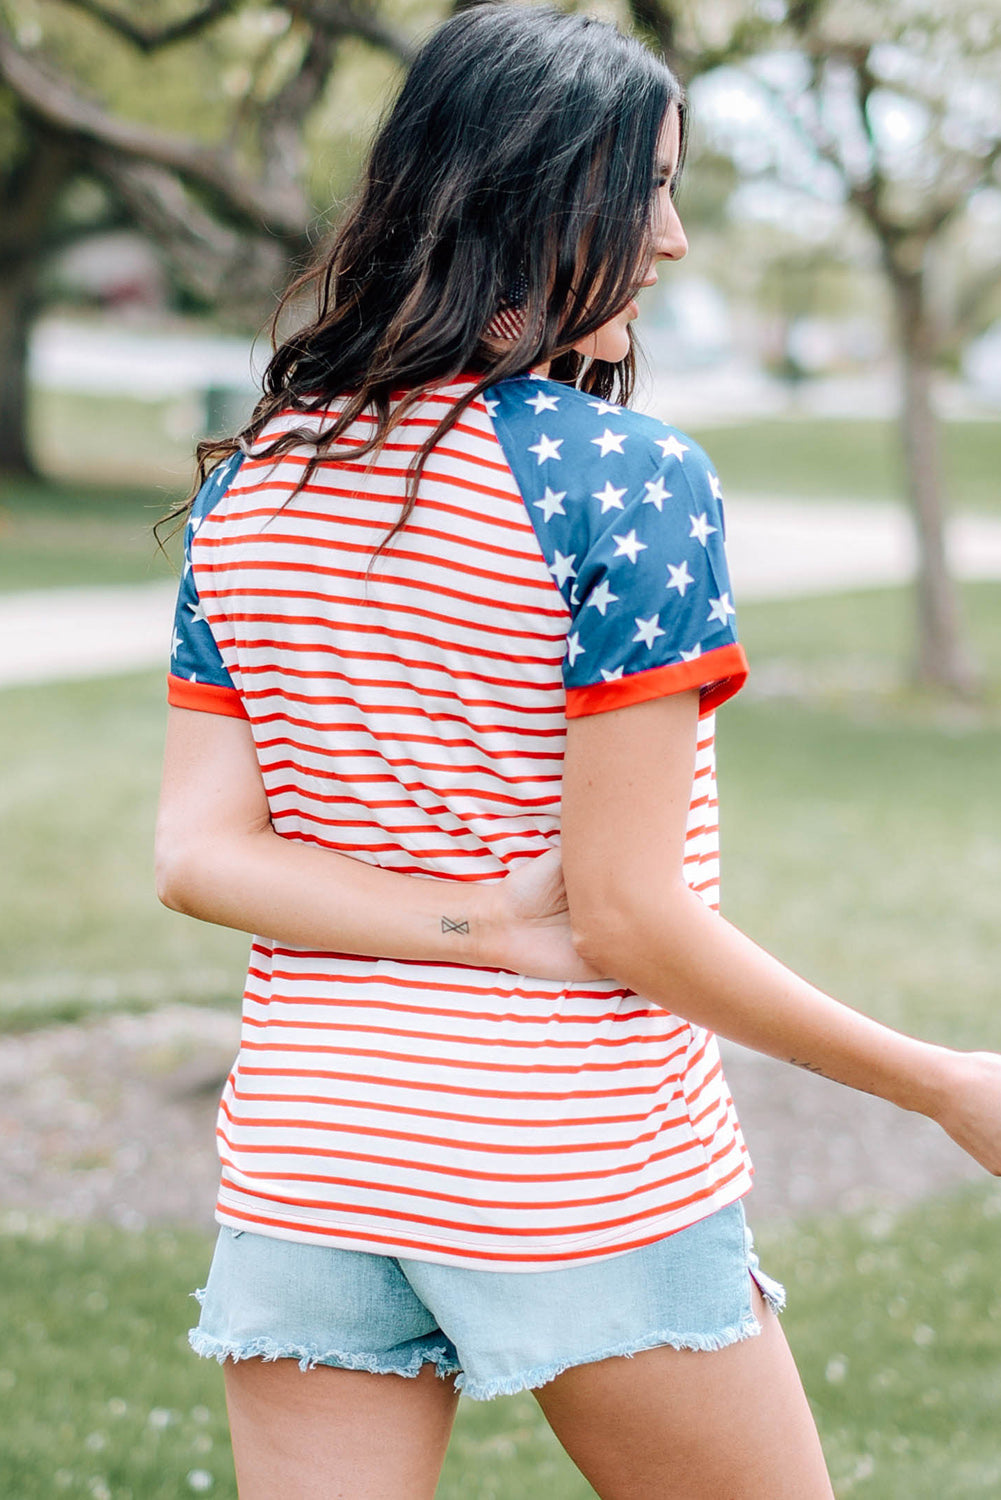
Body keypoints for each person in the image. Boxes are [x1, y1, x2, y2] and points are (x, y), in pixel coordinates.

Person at [155, 7, 1001, 1497]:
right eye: (646, 189)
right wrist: (939, 1081)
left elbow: (200, 857)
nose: (670, 240)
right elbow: (626, 917)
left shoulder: (260, 478)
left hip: (312, 1156)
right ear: (536, 198)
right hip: (569, 1153)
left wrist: (471, 922)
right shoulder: (626, 478)